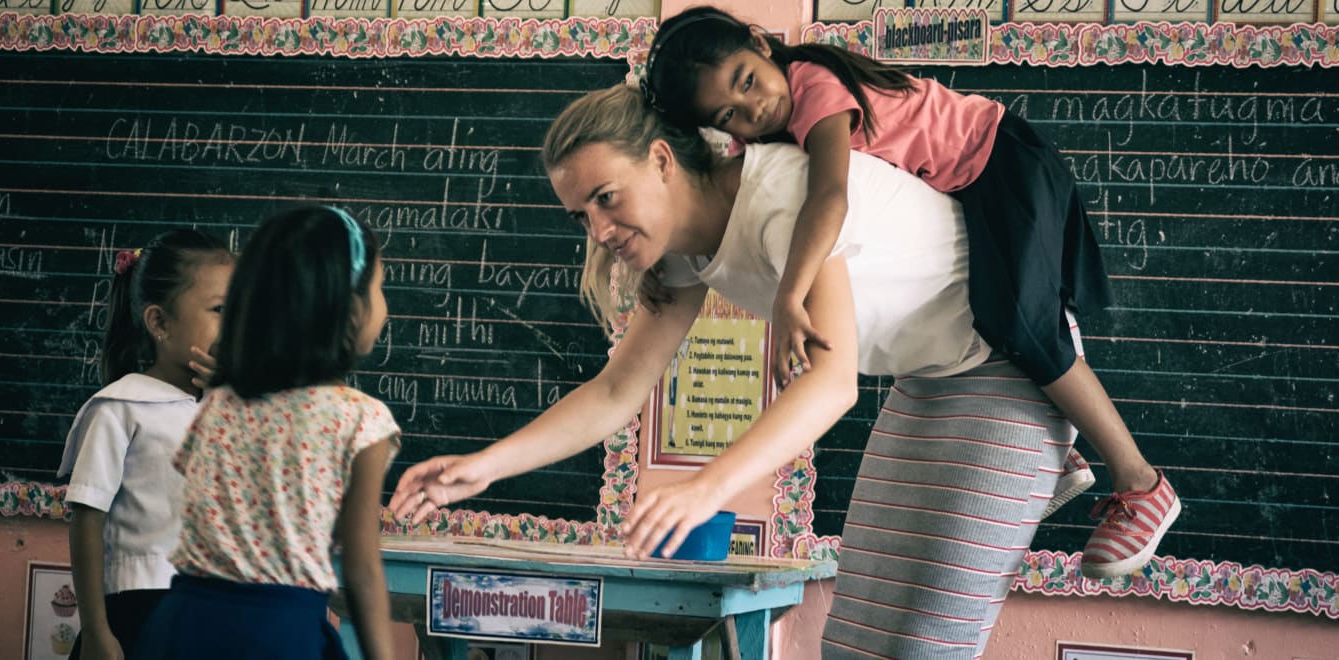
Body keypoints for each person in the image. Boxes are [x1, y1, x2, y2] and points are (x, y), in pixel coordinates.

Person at [395, 83, 1080, 658]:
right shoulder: (680, 254)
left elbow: (833, 380)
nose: (598, 231)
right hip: (928, 382)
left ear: (661, 160)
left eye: (606, 197)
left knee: (922, 648)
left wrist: (706, 488)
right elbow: (615, 391)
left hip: (1011, 377)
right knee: (853, 645)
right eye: (582, 215)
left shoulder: (781, 198)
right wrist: (486, 465)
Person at [640, 5, 1179, 578]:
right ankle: (1057, 454)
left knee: (1021, 321)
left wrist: (788, 295)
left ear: (760, 42)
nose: (753, 108)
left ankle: (1142, 482)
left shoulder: (815, 89)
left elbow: (829, 200)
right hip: (968, 184)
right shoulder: (768, 132)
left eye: (747, 81)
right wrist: (660, 247)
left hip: (1000, 159)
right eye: (730, 114)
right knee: (989, 311)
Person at [133, 206, 399, 660]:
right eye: (379, 288)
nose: (385, 306)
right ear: (350, 307)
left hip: (180, 624)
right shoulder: (361, 421)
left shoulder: (219, 403)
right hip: (276, 635)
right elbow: (361, 571)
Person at [57, 229, 234, 660]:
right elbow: (86, 521)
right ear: (159, 322)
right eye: (219, 309)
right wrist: (96, 631)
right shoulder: (121, 407)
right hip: (141, 609)